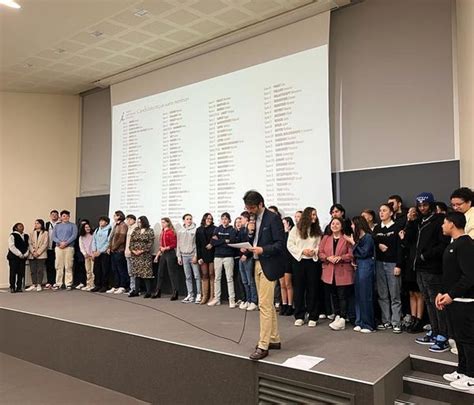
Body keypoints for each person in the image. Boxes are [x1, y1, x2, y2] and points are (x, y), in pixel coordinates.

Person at [403, 193, 451, 352]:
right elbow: (408, 240)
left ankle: (443, 336)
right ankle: (435, 331)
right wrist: (410, 221)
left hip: (433, 268)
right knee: (428, 301)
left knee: (437, 302)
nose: (422, 208)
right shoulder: (417, 221)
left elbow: (443, 244)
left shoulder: (438, 221)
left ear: (431, 205)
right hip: (419, 268)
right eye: (420, 205)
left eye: (425, 205)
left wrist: (425, 255)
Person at [242, 190, 285, 361]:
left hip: (268, 264)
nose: (250, 211)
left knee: (265, 306)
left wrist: (263, 249)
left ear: (261, 204)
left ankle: (263, 345)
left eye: (252, 207)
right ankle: (274, 339)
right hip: (256, 263)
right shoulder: (253, 220)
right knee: (265, 304)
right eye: (247, 208)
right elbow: (254, 240)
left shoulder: (273, 218)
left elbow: (280, 244)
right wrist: (250, 233)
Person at [437, 212, 474, 392]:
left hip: (465, 301)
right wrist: (442, 293)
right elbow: (451, 274)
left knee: (468, 339)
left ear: (452, 224)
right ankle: (463, 370)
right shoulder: (453, 244)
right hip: (454, 299)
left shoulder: (466, 244)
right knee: (459, 338)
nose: (442, 226)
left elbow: (469, 276)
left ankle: (472, 377)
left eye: (444, 222)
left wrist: (451, 294)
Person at [287, 207, 322, 327]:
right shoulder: (295, 229)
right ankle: (299, 315)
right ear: (307, 215)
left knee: (313, 289)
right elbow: (290, 245)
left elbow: (320, 244)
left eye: (315, 215)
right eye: (312, 214)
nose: (314, 217)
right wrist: (302, 251)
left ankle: (313, 316)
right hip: (299, 261)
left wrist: (314, 251)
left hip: (313, 262)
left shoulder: (316, 230)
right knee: (299, 289)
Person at [319, 217, 354, 331]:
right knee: (333, 294)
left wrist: (340, 257)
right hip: (329, 271)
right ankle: (337, 315)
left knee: (342, 295)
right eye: (332, 223)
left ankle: (343, 318)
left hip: (343, 270)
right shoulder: (326, 238)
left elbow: (352, 254)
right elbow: (320, 253)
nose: (334, 225)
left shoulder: (346, 238)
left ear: (342, 226)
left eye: (337, 224)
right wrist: (328, 257)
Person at [373, 203, 403, 333]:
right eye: (380, 211)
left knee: (395, 294)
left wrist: (399, 265)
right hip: (379, 263)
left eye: (384, 210)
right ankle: (386, 320)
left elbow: (400, 248)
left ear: (391, 213)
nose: (381, 213)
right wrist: (378, 244)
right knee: (382, 294)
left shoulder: (397, 227)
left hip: (393, 264)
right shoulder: (377, 228)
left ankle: (396, 321)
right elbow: (373, 242)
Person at [345, 216, 376, 333]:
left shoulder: (368, 237)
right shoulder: (359, 238)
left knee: (365, 295)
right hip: (359, 266)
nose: (352, 226)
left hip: (366, 266)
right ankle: (359, 321)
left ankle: (368, 324)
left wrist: (353, 242)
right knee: (358, 294)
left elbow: (364, 253)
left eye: (353, 224)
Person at [399, 207, 425, 334]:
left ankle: (419, 319)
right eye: (409, 212)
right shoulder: (407, 225)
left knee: (418, 293)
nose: (411, 214)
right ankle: (413, 317)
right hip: (408, 261)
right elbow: (405, 242)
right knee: (411, 292)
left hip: (417, 261)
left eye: (413, 212)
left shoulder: (419, 225)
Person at [208, 212, 237, 308]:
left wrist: (219, 240)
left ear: (229, 220)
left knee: (229, 278)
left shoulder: (232, 229)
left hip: (228, 256)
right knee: (217, 278)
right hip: (217, 256)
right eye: (222, 219)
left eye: (226, 219)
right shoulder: (217, 228)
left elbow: (232, 241)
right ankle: (217, 299)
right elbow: (213, 242)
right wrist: (225, 240)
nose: (224, 220)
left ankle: (232, 300)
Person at [177, 213, 201, 304]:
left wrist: (196, 255)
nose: (189, 220)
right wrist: (179, 256)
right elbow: (178, 244)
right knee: (188, 276)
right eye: (187, 219)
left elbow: (197, 244)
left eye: (190, 219)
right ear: (184, 220)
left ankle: (198, 294)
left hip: (192, 255)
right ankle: (190, 294)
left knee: (197, 276)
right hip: (184, 256)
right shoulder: (180, 231)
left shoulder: (195, 230)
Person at [153, 218, 179, 300]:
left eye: (164, 222)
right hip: (163, 253)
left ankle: (175, 292)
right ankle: (158, 291)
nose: (162, 224)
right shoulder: (162, 232)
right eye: (161, 222)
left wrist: (166, 248)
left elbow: (174, 244)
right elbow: (161, 246)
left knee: (172, 273)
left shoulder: (171, 232)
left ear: (168, 223)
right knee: (160, 272)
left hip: (170, 253)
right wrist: (157, 255)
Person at [128, 216, 155, 298]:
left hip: (144, 255)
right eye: (138, 222)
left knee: (146, 273)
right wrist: (133, 250)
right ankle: (136, 291)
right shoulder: (136, 230)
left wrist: (142, 250)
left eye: (140, 222)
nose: (139, 223)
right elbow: (131, 241)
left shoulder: (150, 231)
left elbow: (150, 242)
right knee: (136, 273)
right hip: (135, 255)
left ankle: (148, 292)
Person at [52, 210, 78, 291]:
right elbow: (53, 236)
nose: (65, 217)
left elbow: (74, 236)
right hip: (59, 247)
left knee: (68, 265)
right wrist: (60, 242)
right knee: (59, 266)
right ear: (61, 217)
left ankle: (68, 283)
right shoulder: (57, 226)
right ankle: (58, 283)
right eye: (63, 216)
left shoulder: (73, 225)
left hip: (69, 247)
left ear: (69, 217)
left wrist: (66, 243)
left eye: (67, 216)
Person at [237, 212, 257, 311]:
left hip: (249, 257)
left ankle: (254, 301)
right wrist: (240, 249)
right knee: (244, 281)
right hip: (241, 257)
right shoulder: (241, 230)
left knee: (250, 281)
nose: (240, 220)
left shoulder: (252, 229)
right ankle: (248, 300)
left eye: (242, 218)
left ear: (247, 219)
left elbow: (252, 243)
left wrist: (246, 254)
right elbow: (239, 242)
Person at [195, 213, 216, 305]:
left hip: (212, 254)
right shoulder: (199, 230)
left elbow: (216, 240)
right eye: (208, 218)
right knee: (204, 275)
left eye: (211, 219)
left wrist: (212, 243)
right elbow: (197, 245)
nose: (209, 220)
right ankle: (204, 296)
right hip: (203, 255)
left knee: (212, 274)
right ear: (204, 219)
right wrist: (199, 257)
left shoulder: (215, 228)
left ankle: (212, 296)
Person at [108, 210, 129, 294]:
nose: (114, 217)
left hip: (119, 250)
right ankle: (116, 285)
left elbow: (121, 239)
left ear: (119, 216)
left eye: (115, 215)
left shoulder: (123, 225)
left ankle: (122, 286)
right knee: (114, 269)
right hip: (113, 250)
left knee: (121, 269)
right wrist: (109, 247)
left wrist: (114, 247)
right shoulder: (115, 225)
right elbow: (111, 237)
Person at [90, 216, 111, 293]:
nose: (101, 222)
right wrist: (94, 251)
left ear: (106, 222)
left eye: (102, 221)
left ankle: (104, 285)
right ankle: (97, 285)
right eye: (100, 221)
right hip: (96, 253)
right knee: (97, 270)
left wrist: (100, 251)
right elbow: (94, 240)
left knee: (104, 270)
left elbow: (108, 242)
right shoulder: (97, 229)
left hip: (104, 253)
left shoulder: (109, 230)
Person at [26, 219, 48, 292]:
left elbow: (45, 244)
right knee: (32, 270)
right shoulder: (32, 233)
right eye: (35, 223)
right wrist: (33, 251)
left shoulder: (45, 233)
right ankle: (34, 284)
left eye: (38, 223)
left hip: (41, 254)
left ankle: (39, 284)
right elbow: (29, 243)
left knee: (40, 270)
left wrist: (38, 253)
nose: (36, 225)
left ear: (41, 224)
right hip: (32, 254)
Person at [279, 216, 295, 316]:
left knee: (288, 284)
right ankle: (284, 304)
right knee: (282, 285)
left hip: (289, 261)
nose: (283, 225)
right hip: (280, 262)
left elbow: (287, 246)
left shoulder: (292, 234)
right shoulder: (279, 234)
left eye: (284, 223)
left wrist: (286, 232)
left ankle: (290, 305)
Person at [7, 223, 29, 293]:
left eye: (22, 226)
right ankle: (12, 287)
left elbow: (28, 246)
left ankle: (19, 287)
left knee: (21, 273)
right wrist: (19, 254)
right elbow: (11, 246)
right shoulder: (12, 235)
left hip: (23, 257)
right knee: (13, 272)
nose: (22, 227)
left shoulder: (26, 236)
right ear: (16, 228)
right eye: (20, 226)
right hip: (14, 257)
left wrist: (26, 254)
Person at [45, 210, 59, 289]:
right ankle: (49, 281)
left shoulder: (60, 224)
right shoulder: (47, 224)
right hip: (48, 248)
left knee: (56, 265)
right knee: (49, 265)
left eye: (55, 215)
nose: (54, 216)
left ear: (58, 216)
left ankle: (55, 282)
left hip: (57, 248)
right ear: (50, 215)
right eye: (52, 214)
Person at [78, 222, 95, 291]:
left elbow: (95, 245)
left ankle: (93, 284)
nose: (88, 228)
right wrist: (85, 253)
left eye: (88, 227)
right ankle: (88, 284)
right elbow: (81, 246)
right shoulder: (81, 237)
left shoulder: (93, 235)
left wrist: (93, 254)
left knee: (93, 270)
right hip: (86, 256)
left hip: (93, 255)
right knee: (88, 270)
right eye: (86, 227)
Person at [124, 215, 138, 294]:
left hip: (133, 253)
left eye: (130, 219)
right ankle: (131, 287)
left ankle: (135, 288)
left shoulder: (136, 228)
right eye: (127, 219)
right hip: (127, 252)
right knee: (130, 271)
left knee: (133, 271)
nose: (128, 221)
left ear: (134, 220)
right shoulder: (129, 228)